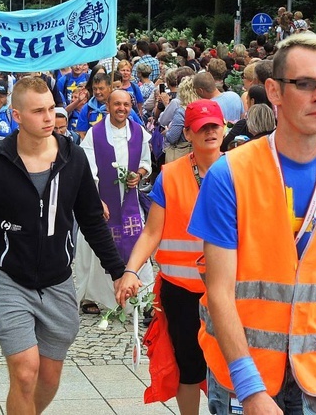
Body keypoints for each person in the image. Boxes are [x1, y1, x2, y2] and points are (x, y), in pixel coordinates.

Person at [188, 33, 316, 414]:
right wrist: (250, 389)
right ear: (274, 91)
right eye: (305, 84)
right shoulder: (231, 174)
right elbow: (219, 289)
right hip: (248, 373)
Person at [0, 76, 126, 414]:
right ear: (17, 116)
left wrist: (118, 271)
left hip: (58, 282)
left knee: (48, 378)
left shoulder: (72, 158)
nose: (48, 118)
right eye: (38, 112)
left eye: (50, 109)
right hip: (9, 282)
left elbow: (91, 221)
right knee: (26, 372)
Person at [116, 99, 224, 414]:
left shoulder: (238, 170)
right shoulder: (171, 175)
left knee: (231, 365)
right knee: (188, 365)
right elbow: (152, 232)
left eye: (214, 125)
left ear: (224, 127)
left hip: (228, 288)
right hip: (182, 290)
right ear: (188, 133)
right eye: (202, 128)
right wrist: (131, 270)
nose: (210, 132)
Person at [76, 89, 153, 314]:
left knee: (137, 241)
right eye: (117, 104)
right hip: (102, 200)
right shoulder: (94, 134)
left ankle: (143, 296)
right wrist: (96, 199)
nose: (122, 108)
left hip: (129, 203)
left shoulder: (139, 132)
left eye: (126, 104)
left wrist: (138, 175)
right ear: (107, 106)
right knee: (95, 246)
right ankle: (93, 296)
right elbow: (87, 170)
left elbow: (146, 163)